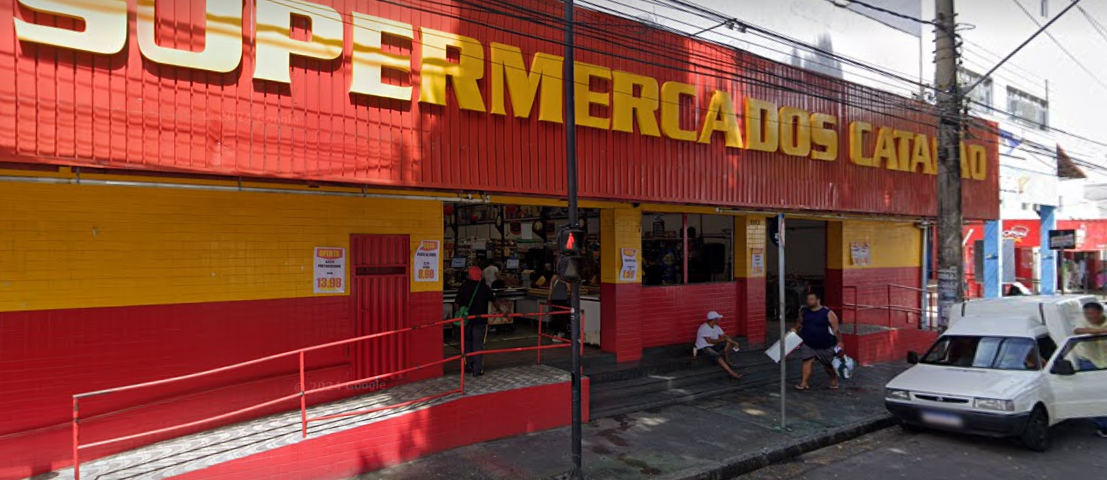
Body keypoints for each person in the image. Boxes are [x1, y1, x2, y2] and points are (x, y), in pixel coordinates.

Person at [794, 292, 843, 390]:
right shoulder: (804, 311)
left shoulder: (828, 313)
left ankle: (833, 380)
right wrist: (795, 329)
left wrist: (840, 342)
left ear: (818, 300)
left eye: (811, 299)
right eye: (808, 299)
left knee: (828, 366)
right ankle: (804, 383)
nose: (809, 301)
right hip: (808, 343)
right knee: (807, 361)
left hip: (825, 345)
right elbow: (799, 322)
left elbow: (836, 329)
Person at [455, 266, 495, 377]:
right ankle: (477, 370)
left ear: (469, 275)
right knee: (478, 344)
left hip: (466, 320)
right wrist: (503, 312)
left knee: (467, 342)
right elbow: (494, 300)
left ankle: (468, 365)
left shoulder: (464, 287)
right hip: (480, 321)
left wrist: (458, 313)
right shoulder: (484, 287)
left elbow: (457, 303)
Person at [1077, 302, 1107, 438]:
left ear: (1100, 313)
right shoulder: (1081, 321)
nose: (1089, 316)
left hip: (1104, 362)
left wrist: (1093, 331)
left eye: (1092, 313)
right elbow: (1078, 331)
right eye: (1087, 313)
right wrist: (1099, 331)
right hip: (1090, 362)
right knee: (1094, 394)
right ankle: (1103, 426)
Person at [695, 311, 743, 380]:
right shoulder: (704, 327)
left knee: (727, 342)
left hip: (712, 346)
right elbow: (709, 341)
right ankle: (732, 373)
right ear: (714, 319)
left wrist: (735, 343)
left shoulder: (717, 327)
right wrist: (721, 340)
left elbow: (725, 336)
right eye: (718, 319)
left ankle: (727, 360)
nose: (719, 320)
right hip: (703, 348)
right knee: (717, 356)